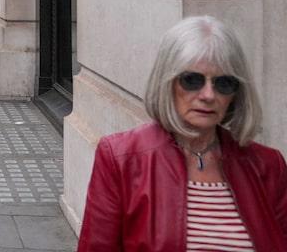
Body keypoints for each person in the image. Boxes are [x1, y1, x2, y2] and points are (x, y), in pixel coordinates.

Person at [78, 16, 287, 250]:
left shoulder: (268, 166)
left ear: (236, 93)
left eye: (224, 83)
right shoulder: (121, 158)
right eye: (192, 80)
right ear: (167, 82)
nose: (208, 95)